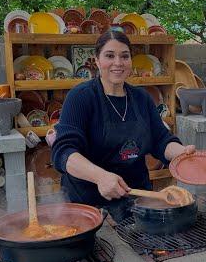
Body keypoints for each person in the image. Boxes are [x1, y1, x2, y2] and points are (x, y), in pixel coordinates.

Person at [51, 29, 195, 221]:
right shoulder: (80, 97)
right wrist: (101, 177)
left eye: (124, 56)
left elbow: (161, 140)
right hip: (89, 205)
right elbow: (64, 152)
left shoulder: (141, 98)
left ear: (130, 61)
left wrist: (181, 153)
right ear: (97, 60)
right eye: (110, 55)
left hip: (138, 200)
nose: (118, 63)